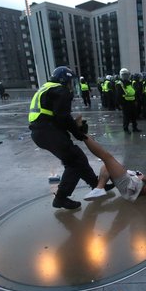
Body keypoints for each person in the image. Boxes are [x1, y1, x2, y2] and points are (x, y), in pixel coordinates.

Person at [28, 66, 98, 210]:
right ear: (64, 79)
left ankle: (96, 185)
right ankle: (61, 198)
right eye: (70, 81)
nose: (71, 85)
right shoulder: (61, 91)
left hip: (42, 132)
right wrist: (78, 133)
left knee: (76, 157)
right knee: (74, 161)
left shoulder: (47, 88)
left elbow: (56, 115)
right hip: (47, 132)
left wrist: (74, 127)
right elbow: (63, 118)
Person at [81, 135, 146, 202]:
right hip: (133, 185)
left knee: (107, 157)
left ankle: (82, 135)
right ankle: (99, 188)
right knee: (107, 166)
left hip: (130, 187)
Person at [115, 68, 141, 134]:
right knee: (126, 117)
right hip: (125, 103)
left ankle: (134, 128)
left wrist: (135, 100)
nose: (125, 76)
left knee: (134, 116)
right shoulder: (120, 84)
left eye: (126, 75)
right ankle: (126, 129)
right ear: (121, 75)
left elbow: (133, 92)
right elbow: (118, 95)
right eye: (124, 75)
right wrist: (120, 104)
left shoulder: (130, 82)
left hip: (132, 102)